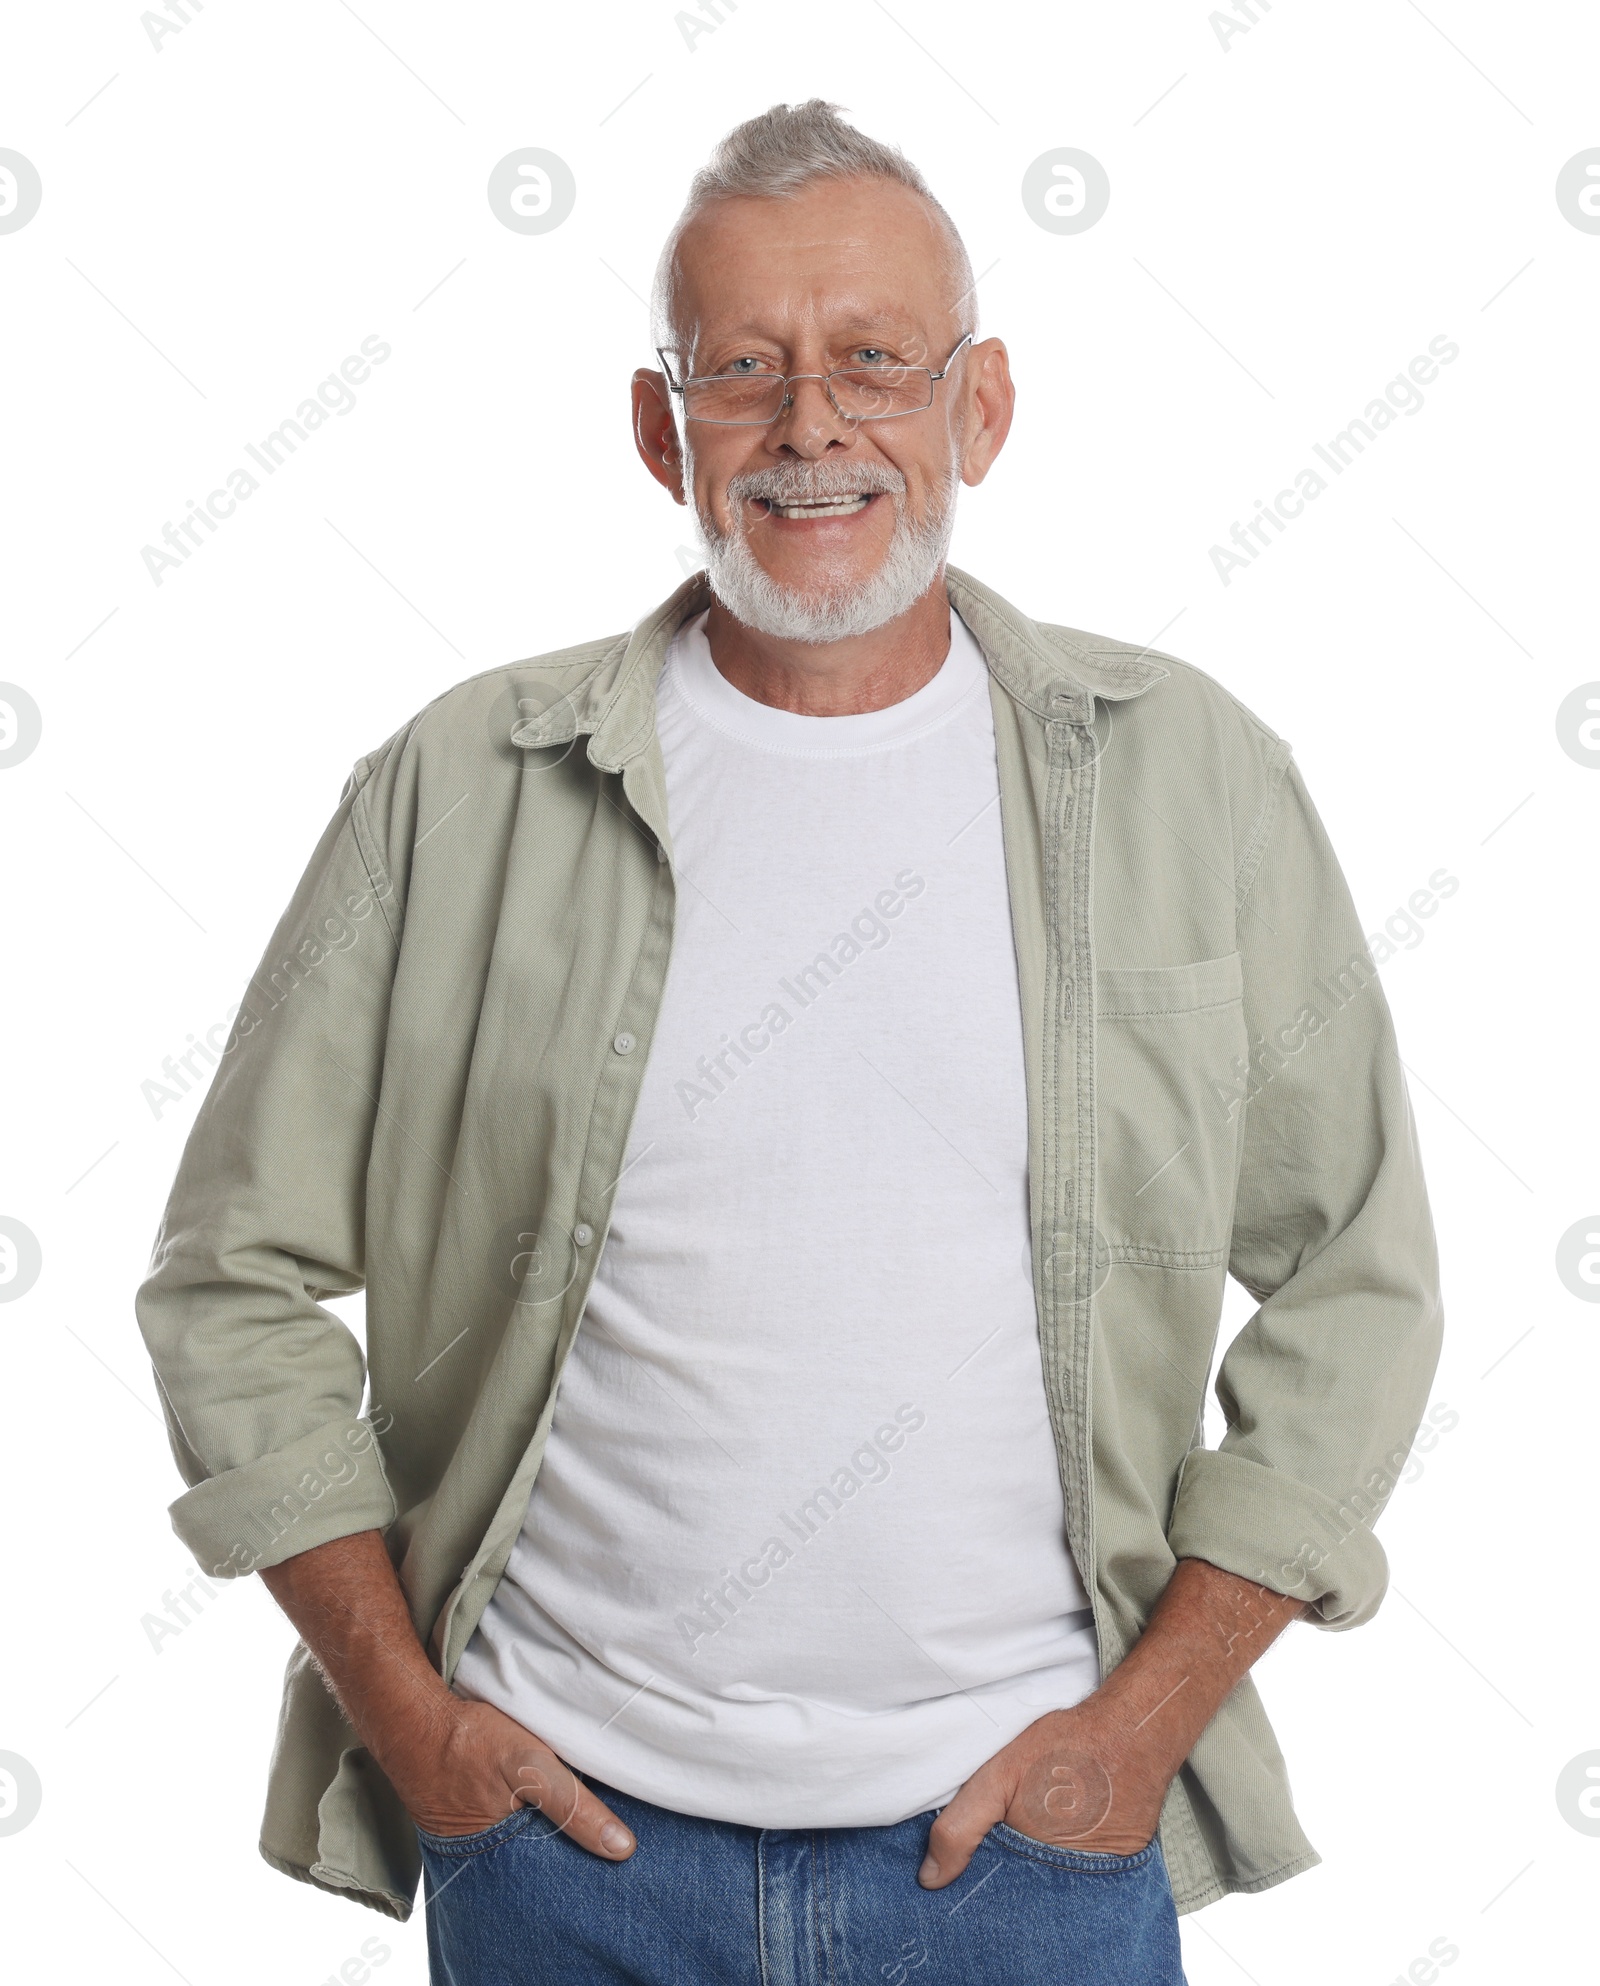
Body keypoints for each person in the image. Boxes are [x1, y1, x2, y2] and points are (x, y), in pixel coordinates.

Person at [136, 99, 1442, 1986]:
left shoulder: (1191, 777)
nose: (812, 426)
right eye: (742, 369)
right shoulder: (458, 787)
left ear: (979, 407)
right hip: (560, 1851)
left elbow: (1358, 1278)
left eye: (874, 363)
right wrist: (416, 1726)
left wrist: (1141, 1730)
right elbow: (228, 1280)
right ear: (664, 427)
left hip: (1033, 1859)